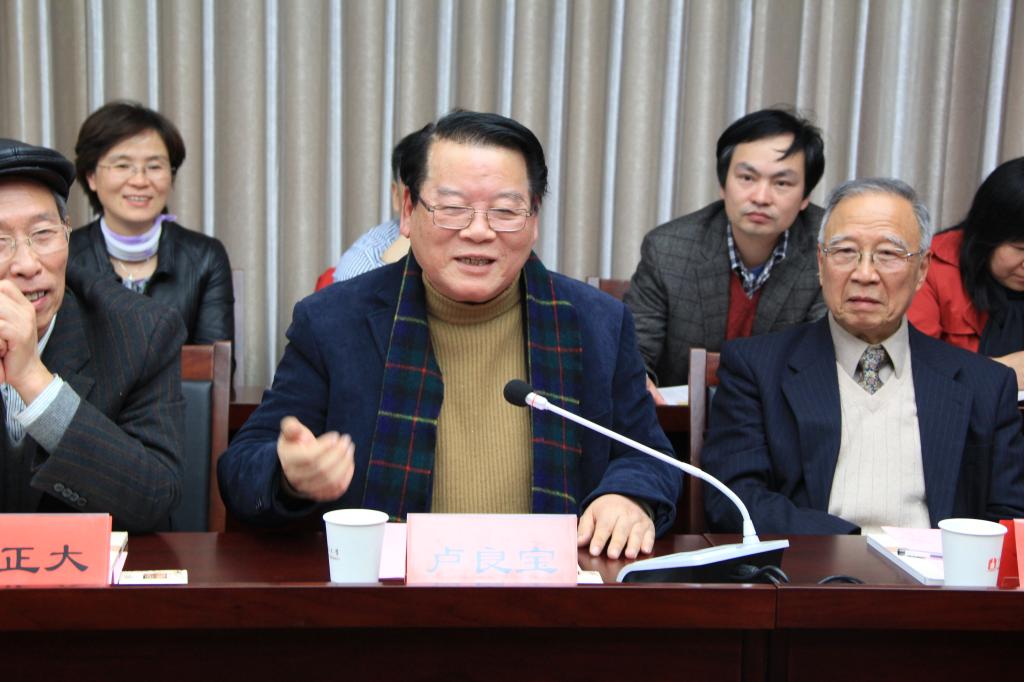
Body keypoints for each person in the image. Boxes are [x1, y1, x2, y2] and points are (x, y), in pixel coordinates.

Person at [219, 110, 681, 559]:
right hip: (382, 598)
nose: (478, 231)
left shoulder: (597, 323)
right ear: (408, 211)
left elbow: (651, 457)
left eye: (505, 211)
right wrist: (289, 475)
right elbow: (241, 468)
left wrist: (629, 495)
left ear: (534, 219)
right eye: (453, 209)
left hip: (550, 594)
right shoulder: (333, 322)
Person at [701, 177, 1024, 535]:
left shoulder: (986, 384)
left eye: (888, 254)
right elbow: (734, 499)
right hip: (812, 565)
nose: (864, 274)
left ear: (922, 270)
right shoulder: (756, 368)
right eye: (844, 252)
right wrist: (854, 546)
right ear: (821, 263)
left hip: (937, 569)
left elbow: (1009, 516)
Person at [0, 138, 185, 531]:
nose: (27, 264)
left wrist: (33, 379)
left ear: (67, 233)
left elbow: (153, 502)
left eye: (43, 233)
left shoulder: (140, 331)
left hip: (77, 567)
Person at [624, 109, 827, 399]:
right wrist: (637, 378)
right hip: (680, 421)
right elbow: (635, 349)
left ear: (805, 196)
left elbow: (820, 359)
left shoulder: (829, 251)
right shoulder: (668, 250)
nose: (761, 197)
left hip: (783, 418)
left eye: (781, 183)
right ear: (723, 184)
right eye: (747, 178)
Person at [68, 101, 234, 347]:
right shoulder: (65, 255)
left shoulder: (204, 257)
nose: (140, 180)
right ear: (91, 176)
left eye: (154, 166)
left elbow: (213, 363)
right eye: (123, 165)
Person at [908, 157, 1024, 387]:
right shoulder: (932, 270)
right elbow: (914, 369)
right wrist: (1001, 371)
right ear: (987, 235)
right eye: (1020, 249)